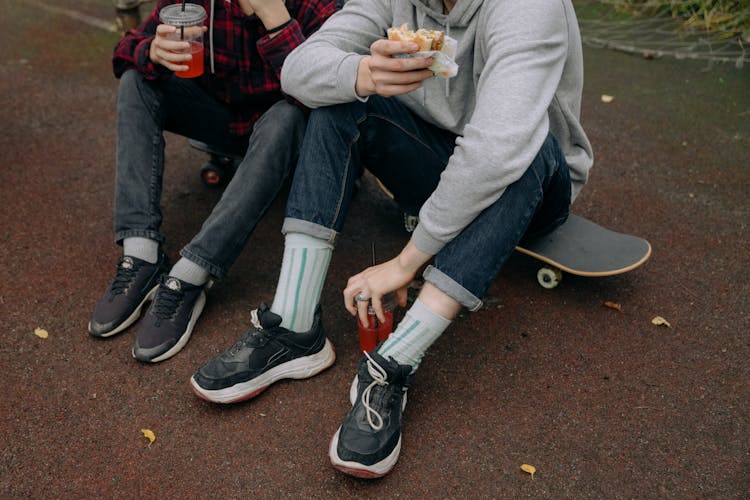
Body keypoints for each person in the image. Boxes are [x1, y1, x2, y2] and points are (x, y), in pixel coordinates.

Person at [189, 0, 594, 478]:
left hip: (532, 181)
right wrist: (363, 74)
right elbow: (298, 71)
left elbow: (495, 151)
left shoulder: (529, 8)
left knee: (524, 148)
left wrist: (408, 261)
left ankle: (395, 362)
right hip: (437, 162)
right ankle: (294, 328)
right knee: (335, 102)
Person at [88, 0, 337, 364]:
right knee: (137, 78)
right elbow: (124, 51)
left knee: (287, 117)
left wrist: (274, 19)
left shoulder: (315, 4)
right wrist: (151, 51)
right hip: (219, 119)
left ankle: (192, 274)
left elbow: (326, 89)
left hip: (285, 131)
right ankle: (141, 255)